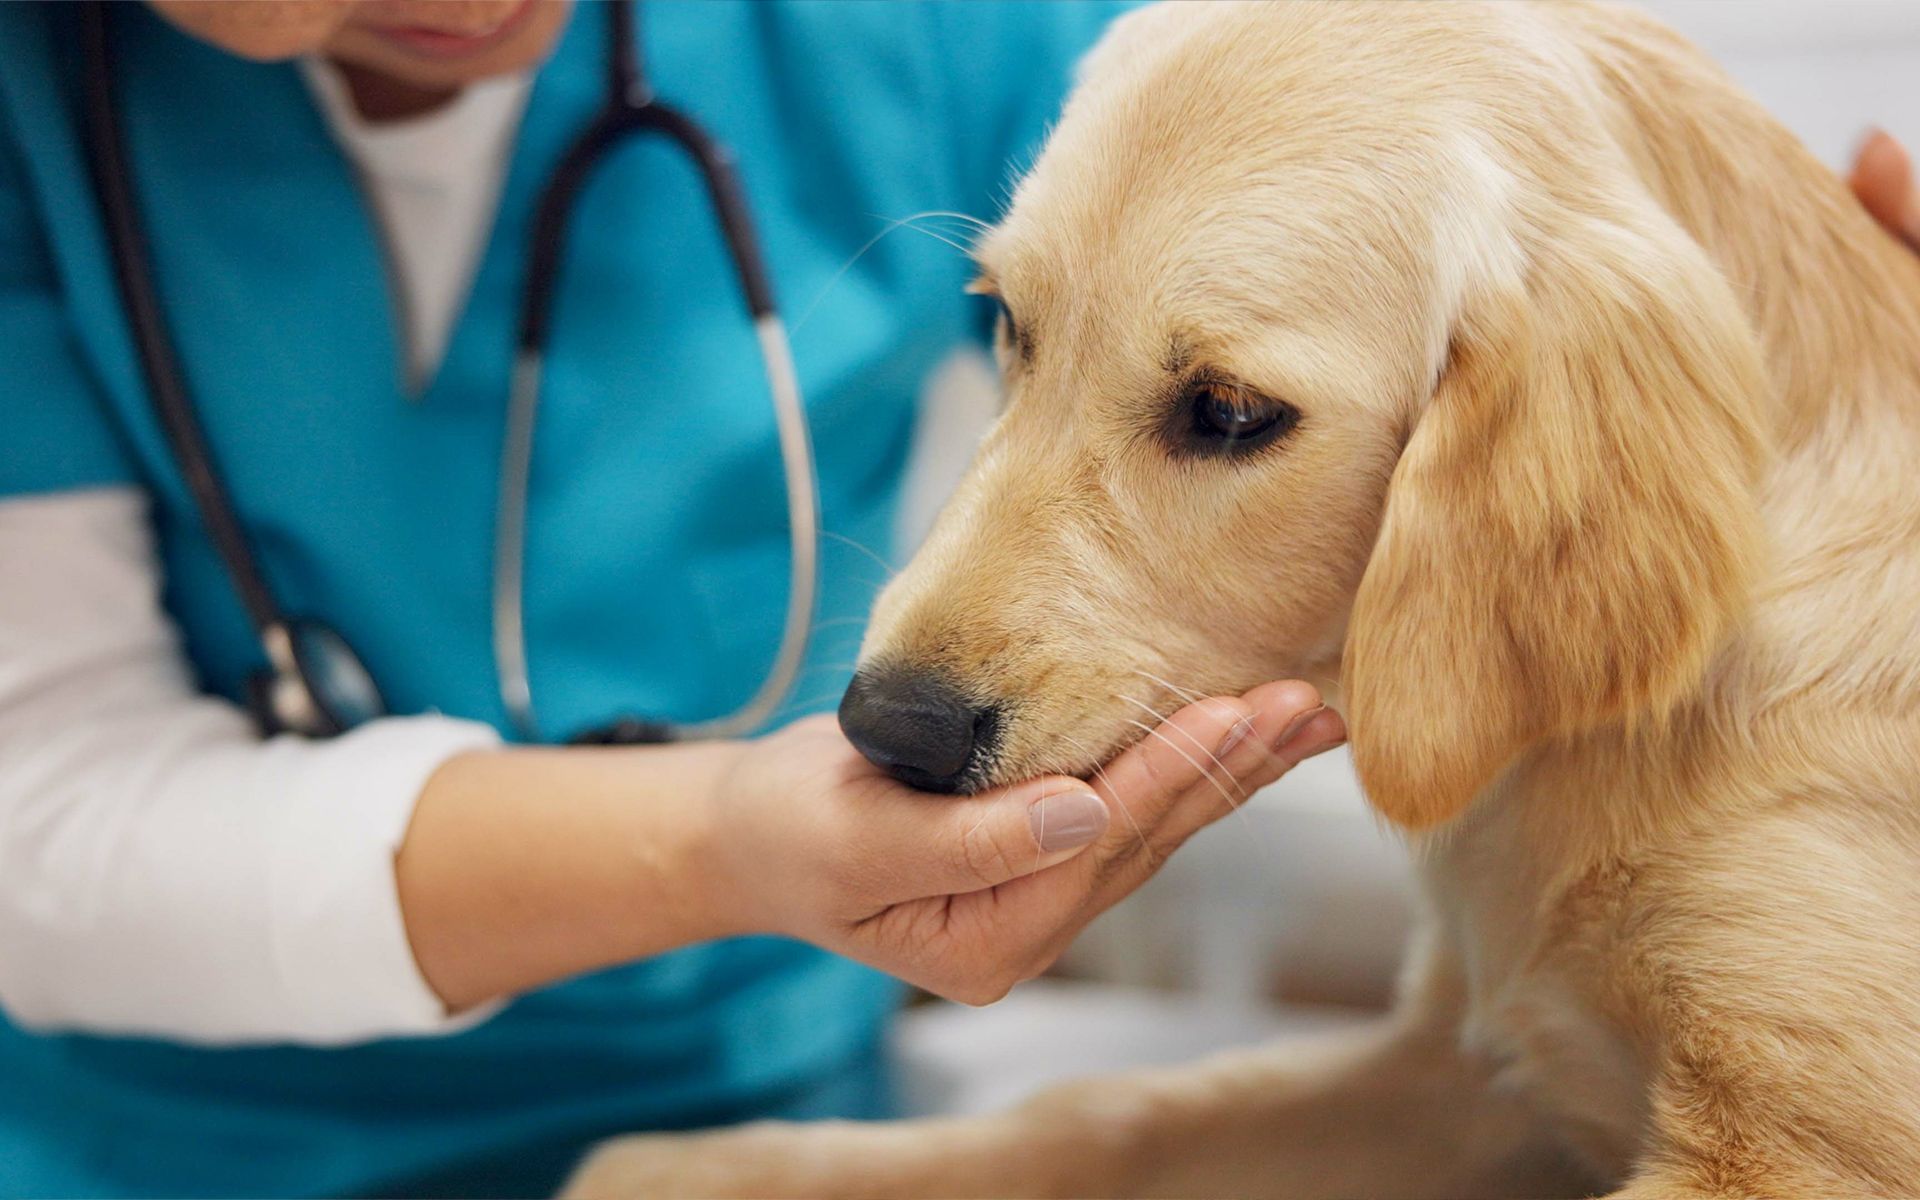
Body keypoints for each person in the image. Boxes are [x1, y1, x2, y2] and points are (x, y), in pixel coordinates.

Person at [0, 2, 1345, 1195]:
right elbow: (40, 831)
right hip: (159, 1142)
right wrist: (715, 846)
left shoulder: (916, 33)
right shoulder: (37, 94)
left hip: (760, 1108)